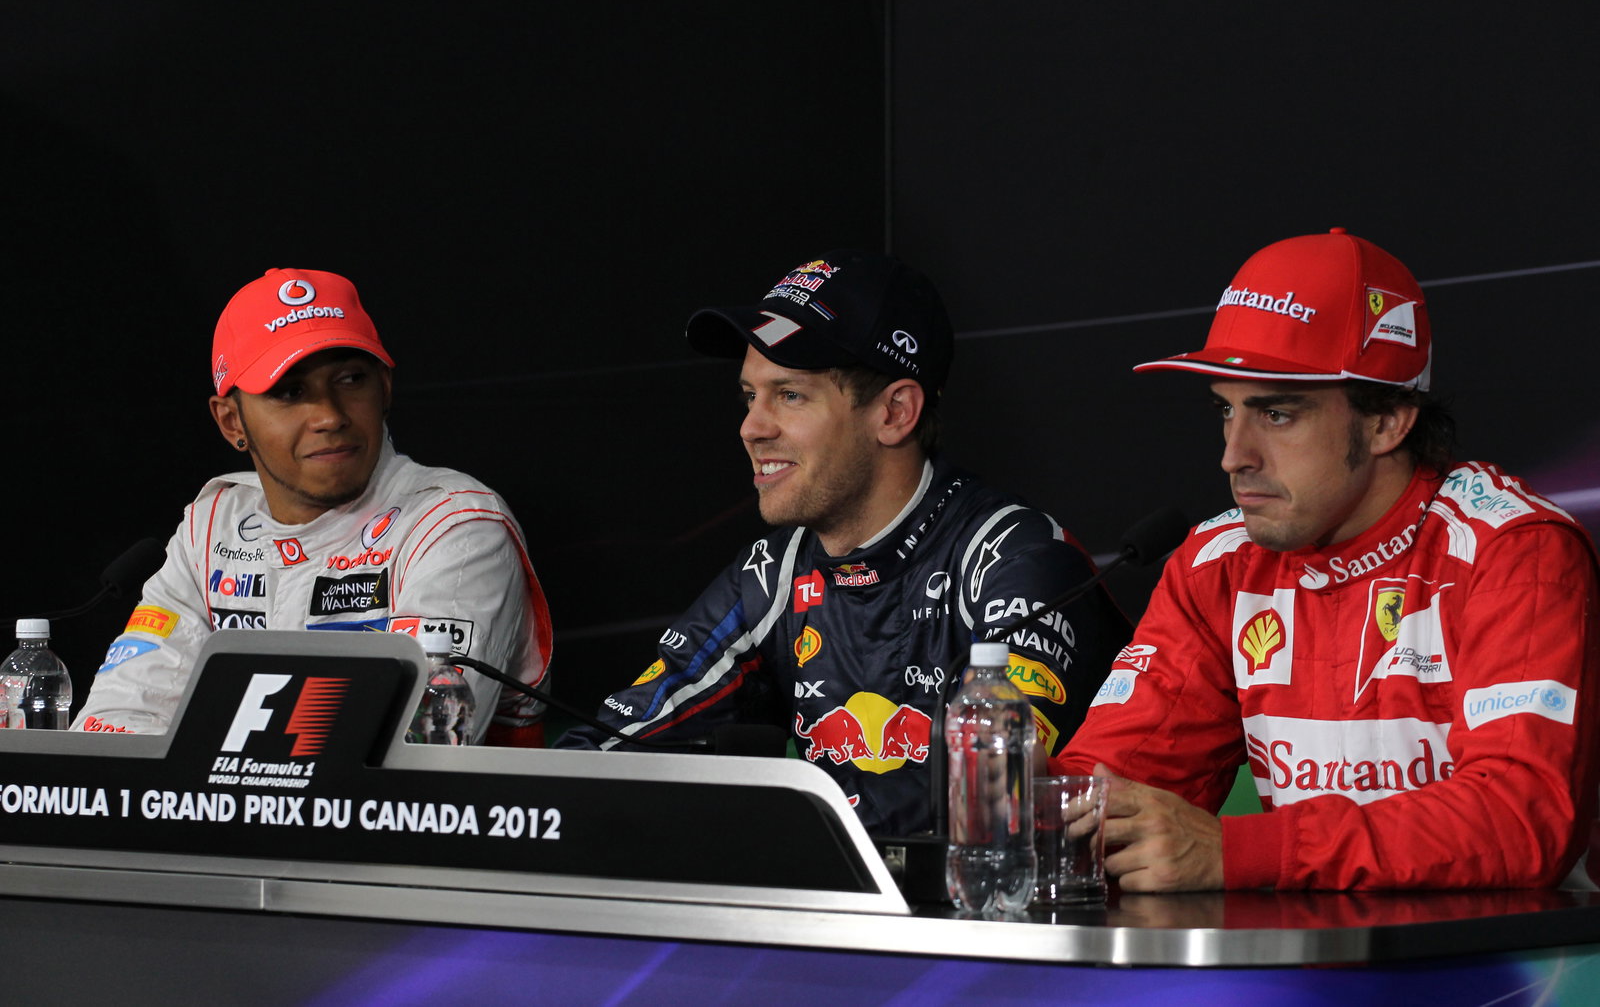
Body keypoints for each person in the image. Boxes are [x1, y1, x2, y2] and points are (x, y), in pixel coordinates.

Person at [1054, 229, 1600, 891]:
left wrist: (1243, 851)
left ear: (1387, 421)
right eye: (1225, 412)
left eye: (1276, 413)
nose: (1234, 455)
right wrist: (1026, 797)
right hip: (1312, 976)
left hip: (1509, 980)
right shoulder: (1217, 565)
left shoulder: (1512, 552)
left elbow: (1520, 817)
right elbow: (1113, 785)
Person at [557, 250, 1130, 837]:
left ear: (895, 412)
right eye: (749, 396)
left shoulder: (1015, 558)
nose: (751, 427)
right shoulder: (775, 574)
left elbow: (995, 780)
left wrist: (776, 824)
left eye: (789, 394)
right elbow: (627, 735)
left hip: (1014, 918)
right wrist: (532, 796)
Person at [74, 268, 553, 745]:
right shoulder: (212, 527)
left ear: (384, 387)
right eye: (290, 392)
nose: (329, 415)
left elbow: (414, 746)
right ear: (230, 421)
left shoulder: (456, 525)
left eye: (350, 378)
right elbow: (121, 721)